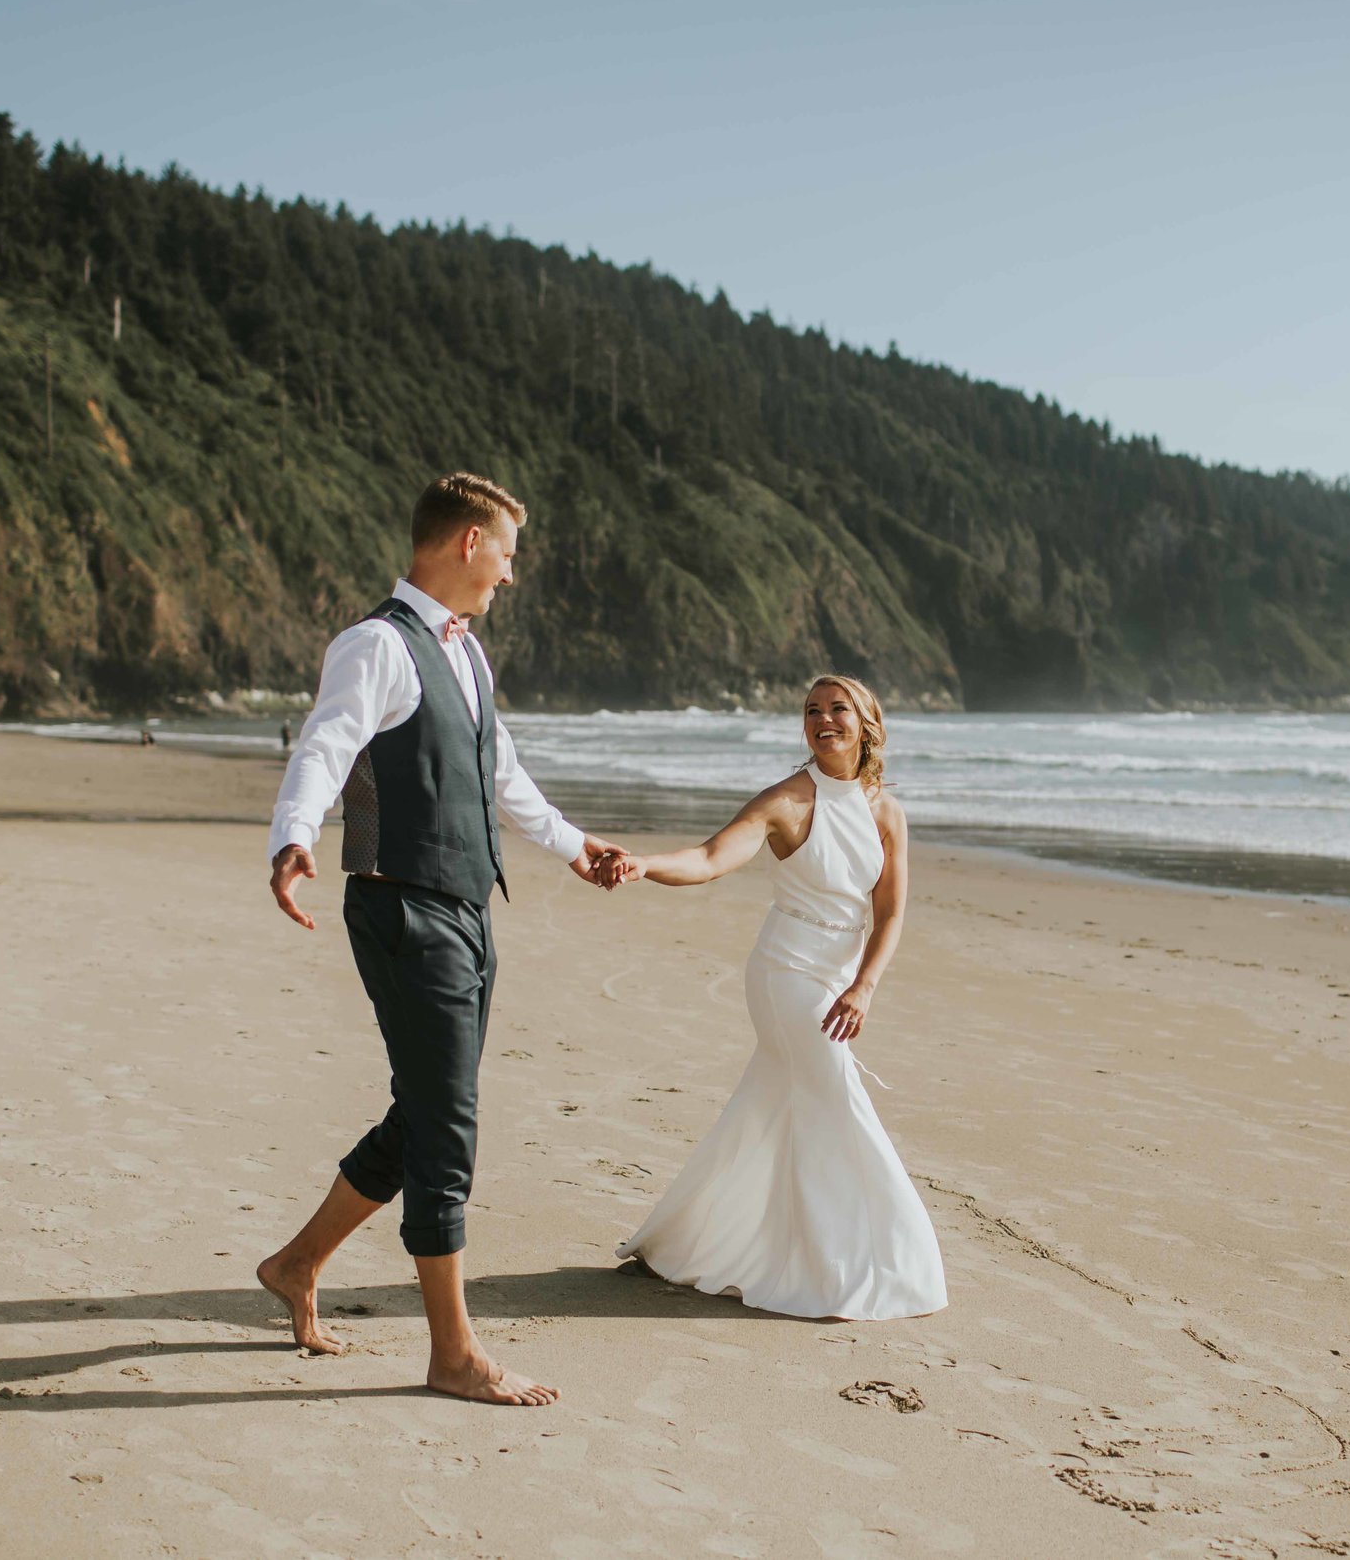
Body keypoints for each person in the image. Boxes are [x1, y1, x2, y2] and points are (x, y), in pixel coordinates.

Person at [257, 471, 631, 1406]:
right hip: (402, 909)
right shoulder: (378, 644)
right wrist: (293, 836)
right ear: (469, 543)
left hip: (467, 907)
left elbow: (501, 774)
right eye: (506, 552)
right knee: (449, 1127)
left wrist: (576, 848)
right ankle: (453, 1351)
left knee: (428, 1109)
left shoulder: (469, 657)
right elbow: (326, 744)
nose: (510, 574)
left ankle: (298, 1262)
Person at [599, 676, 946, 1321]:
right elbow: (707, 858)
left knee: (770, 1111)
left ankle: (685, 1240)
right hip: (786, 974)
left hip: (841, 975)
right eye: (811, 711)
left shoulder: (886, 810)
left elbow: (891, 911)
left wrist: (864, 986)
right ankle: (853, 1268)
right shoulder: (788, 801)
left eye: (837, 708)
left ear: (866, 720)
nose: (822, 720)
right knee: (836, 1104)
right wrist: (644, 864)